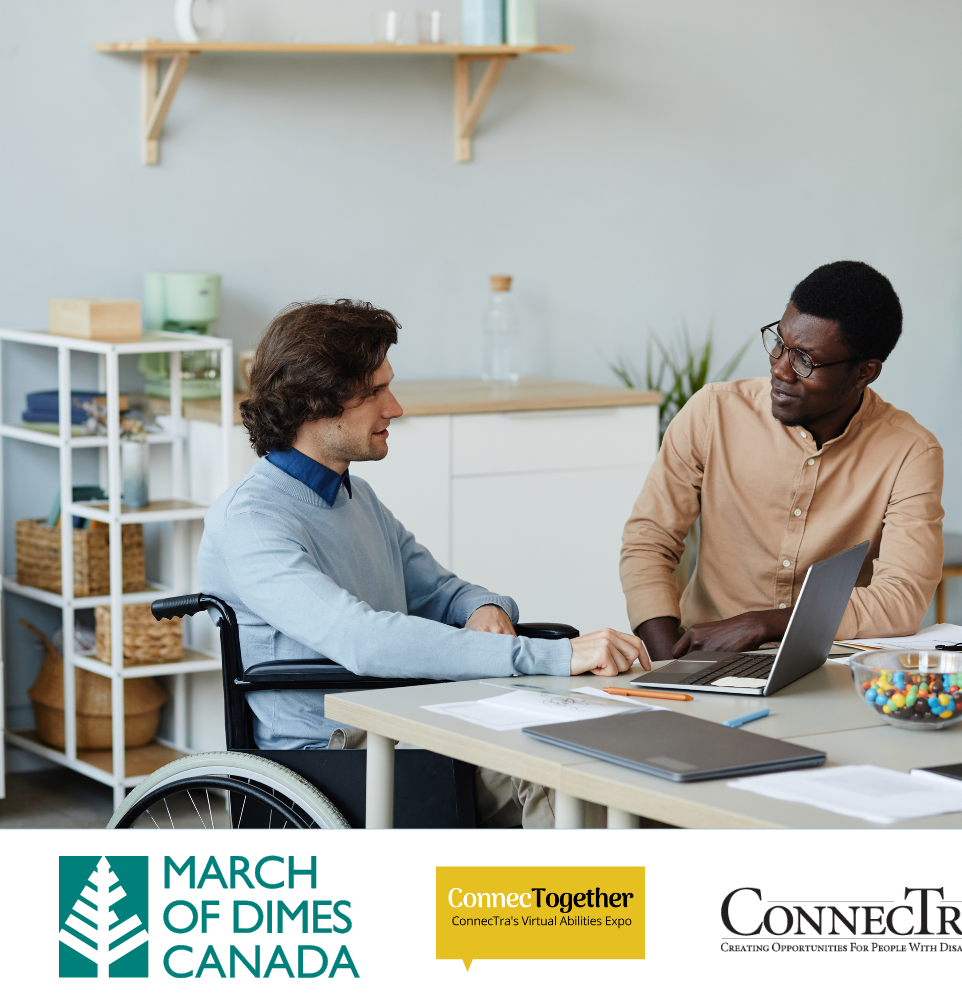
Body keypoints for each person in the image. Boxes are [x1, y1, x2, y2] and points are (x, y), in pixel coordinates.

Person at [199, 299, 649, 827]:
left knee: (600, 737)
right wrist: (549, 656)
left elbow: (441, 592)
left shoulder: (355, 497)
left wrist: (482, 606)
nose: (395, 408)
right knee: (555, 765)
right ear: (313, 403)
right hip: (333, 757)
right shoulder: (250, 521)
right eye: (374, 393)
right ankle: (573, 908)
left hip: (410, 721)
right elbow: (361, 639)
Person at [620, 261, 944, 660]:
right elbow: (648, 542)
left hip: (828, 666)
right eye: (778, 344)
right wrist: (670, 661)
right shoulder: (713, 412)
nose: (779, 369)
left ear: (864, 373)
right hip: (700, 655)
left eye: (804, 361)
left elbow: (901, 599)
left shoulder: (910, 452)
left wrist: (764, 624)